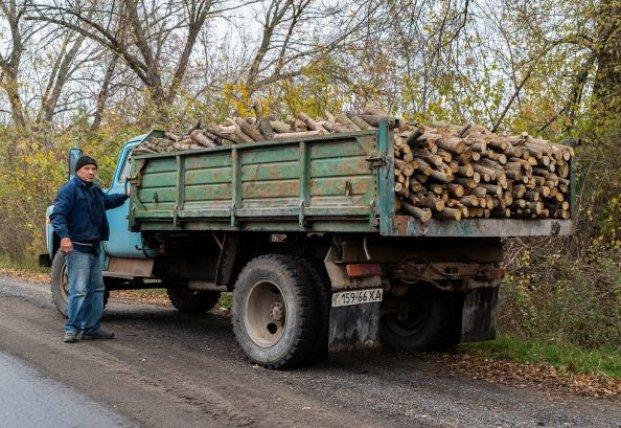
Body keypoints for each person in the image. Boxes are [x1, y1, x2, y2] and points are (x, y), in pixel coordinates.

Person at [50, 155, 129, 343]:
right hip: (78, 248)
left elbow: (107, 202)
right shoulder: (70, 189)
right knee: (79, 290)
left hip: (95, 247)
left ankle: (91, 328)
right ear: (78, 170)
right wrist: (65, 237)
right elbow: (57, 215)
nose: (91, 172)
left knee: (97, 289)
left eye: (93, 169)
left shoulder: (94, 190)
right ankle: (72, 328)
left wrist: (125, 195)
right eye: (87, 168)